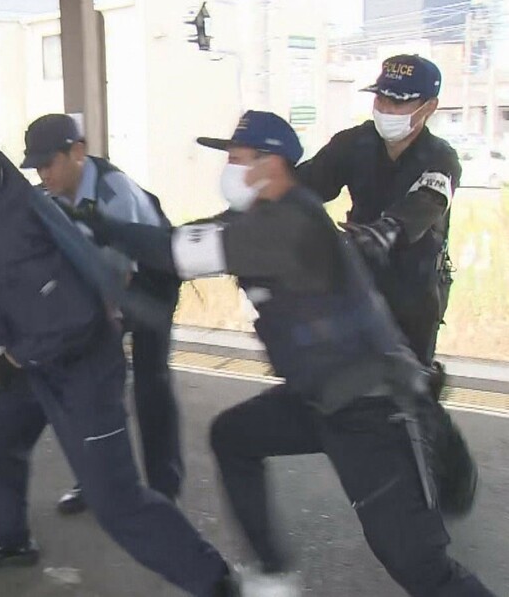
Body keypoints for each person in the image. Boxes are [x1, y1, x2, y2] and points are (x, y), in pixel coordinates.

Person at [0, 0, 232, 596]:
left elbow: (69, 323)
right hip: (34, 351)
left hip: (78, 363)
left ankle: (217, 581)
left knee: (119, 500)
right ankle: (11, 537)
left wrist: (7, 361)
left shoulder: (7, 234)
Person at [71, 110, 495, 597]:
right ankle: (273, 574)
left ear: (271, 164)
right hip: (318, 398)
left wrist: (102, 225)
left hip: (371, 411)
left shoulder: (289, 223)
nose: (228, 168)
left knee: (419, 568)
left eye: (237, 158)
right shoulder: (256, 218)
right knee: (233, 435)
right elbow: (188, 240)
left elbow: (176, 251)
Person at [20, 113, 182, 513]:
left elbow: (119, 275)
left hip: (150, 283)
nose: (43, 174)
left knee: (151, 385)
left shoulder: (114, 192)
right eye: (36, 167)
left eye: (48, 164)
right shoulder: (51, 196)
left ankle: (164, 490)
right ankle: (99, 481)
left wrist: (96, 316)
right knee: (90, 383)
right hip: (105, 282)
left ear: (77, 152)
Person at [296, 54, 458, 397]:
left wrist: (386, 231)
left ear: (429, 107)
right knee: (346, 385)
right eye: (381, 98)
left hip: (413, 288)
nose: (386, 108)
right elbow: (308, 184)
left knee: (408, 395)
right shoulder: (354, 143)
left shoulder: (440, 157)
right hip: (358, 278)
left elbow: (428, 202)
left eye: (399, 102)